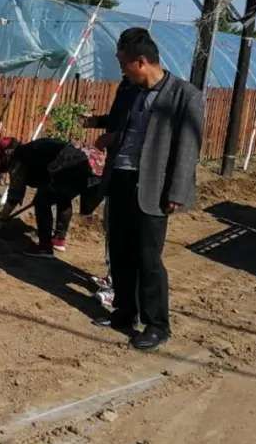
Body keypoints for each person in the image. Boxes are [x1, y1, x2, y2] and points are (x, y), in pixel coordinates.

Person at [86, 27, 203, 351]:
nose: (122, 71)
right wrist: (108, 134)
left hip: (153, 187)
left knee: (148, 258)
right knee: (120, 252)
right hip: (121, 179)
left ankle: (157, 325)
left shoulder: (184, 95)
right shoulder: (130, 90)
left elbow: (188, 148)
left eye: (124, 64)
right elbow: (123, 127)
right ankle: (125, 312)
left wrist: (177, 192)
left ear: (141, 62)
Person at [0, 136, 87, 257]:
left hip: (66, 166)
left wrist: (1, 218)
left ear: (8, 152)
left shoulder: (19, 157)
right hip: (82, 165)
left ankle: (45, 248)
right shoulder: (31, 150)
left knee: (42, 202)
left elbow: (15, 194)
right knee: (63, 197)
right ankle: (59, 240)